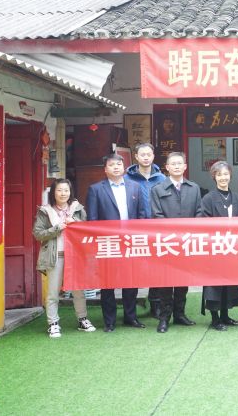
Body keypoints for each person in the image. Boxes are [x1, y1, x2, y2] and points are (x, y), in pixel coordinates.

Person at [86, 153, 148, 332]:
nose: (116, 167)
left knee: (131, 281)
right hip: (108, 242)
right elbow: (92, 219)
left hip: (130, 242)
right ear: (105, 169)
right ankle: (109, 321)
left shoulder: (135, 187)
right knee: (108, 283)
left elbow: (142, 214)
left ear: (124, 167)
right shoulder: (96, 189)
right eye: (112, 165)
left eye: (119, 164)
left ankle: (131, 317)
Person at [33, 178, 96, 338]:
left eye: (66, 190)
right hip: (56, 256)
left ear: (70, 192)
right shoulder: (45, 211)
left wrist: (76, 223)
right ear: (53, 193)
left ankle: (82, 319)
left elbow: (87, 229)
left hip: (75, 256)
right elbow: (38, 233)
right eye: (59, 190)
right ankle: (53, 323)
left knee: (78, 290)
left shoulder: (78, 208)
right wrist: (56, 228)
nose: (63, 193)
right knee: (53, 292)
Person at [150, 152, 202, 333]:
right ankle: (164, 317)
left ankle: (180, 314)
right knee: (165, 281)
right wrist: (173, 234)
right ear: (167, 167)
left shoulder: (194, 188)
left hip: (187, 241)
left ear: (185, 166)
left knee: (182, 279)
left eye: (180, 163)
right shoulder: (157, 189)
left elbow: (199, 212)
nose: (177, 166)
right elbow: (156, 215)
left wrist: (189, 232)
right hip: (167, 242)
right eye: (173, 164)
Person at [200, 161, 238, 331]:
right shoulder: (208, 198)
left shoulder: (237, 198)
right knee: (214, 284)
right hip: (215, 247)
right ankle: (215, 319)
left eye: (226, 174)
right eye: (219, 175)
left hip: (232, 247)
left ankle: (226, 316)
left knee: (230, 282)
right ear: (214, 177)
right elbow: (203, 222)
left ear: (230, 176)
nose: (223, 178)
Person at [125, 142, 166, 320]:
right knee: (133, 269)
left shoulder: (161, 178)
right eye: (142, 154)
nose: (146, 157)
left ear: (153, 156)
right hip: (134, 230)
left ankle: (156, 305)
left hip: (157, 230)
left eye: (149, 154)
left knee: (157, 269)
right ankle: (130, 312)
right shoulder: (127, 178)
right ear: (136, 156)